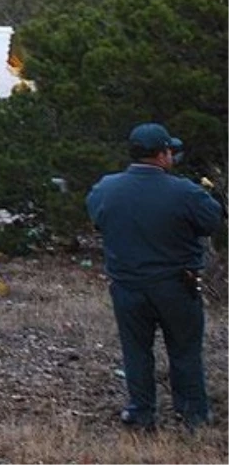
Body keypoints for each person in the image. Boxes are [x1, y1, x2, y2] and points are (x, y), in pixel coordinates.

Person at [86, 122, 222, 431]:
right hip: (176, 285)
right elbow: (211, 222)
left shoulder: (105, 188)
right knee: (185, 350)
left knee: (136, 351)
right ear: (162, 155)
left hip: (127, 287)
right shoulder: (185, 192)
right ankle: (192, 416)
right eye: (170, 151)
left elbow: (98, 221)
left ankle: (141, 412)